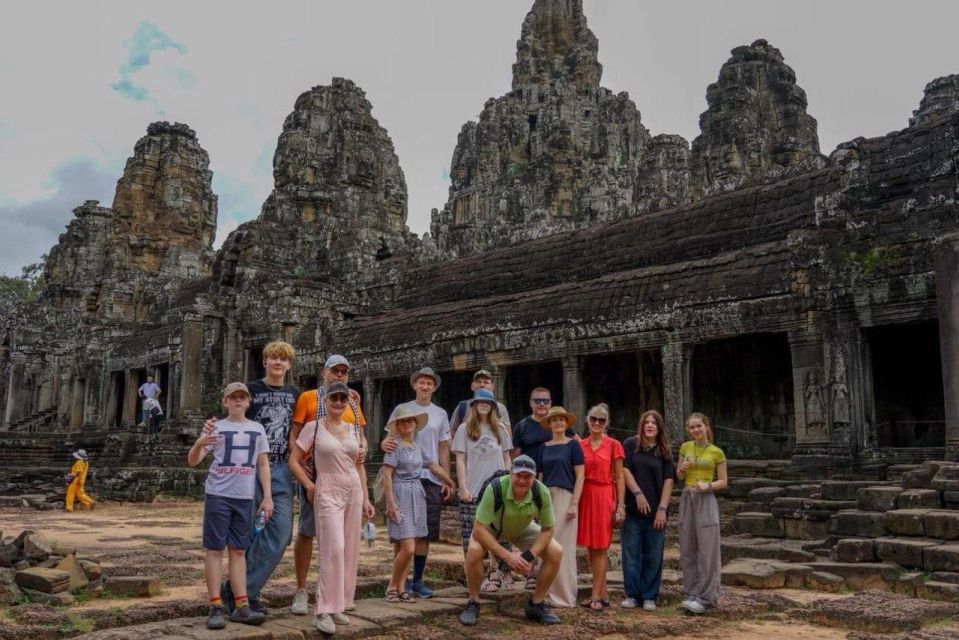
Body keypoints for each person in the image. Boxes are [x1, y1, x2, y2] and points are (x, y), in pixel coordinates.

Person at [203, 341, 300, 615]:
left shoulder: (295, 394)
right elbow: (231, 419)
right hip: (248, 469)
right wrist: (208, 428)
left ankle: (239, 591)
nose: (278, 363)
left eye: (283, 359)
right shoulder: (251, 391)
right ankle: (244, 597)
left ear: (289, 364)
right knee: (245, 536)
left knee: (280, 535)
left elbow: (301, 429)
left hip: (280, 467)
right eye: (273, 358)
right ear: (265, 362)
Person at [289, 381, 374, 635]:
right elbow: (294, 460)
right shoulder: (313, 428)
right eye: (334, 398)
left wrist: (367, 498)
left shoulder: (352, 428)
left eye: (342, 399)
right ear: (325, 402)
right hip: (326, 489)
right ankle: (323, 610)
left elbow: (359, 465)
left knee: (348, 549)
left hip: (353, 490)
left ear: (348, 402)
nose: (338, 403)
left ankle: (339, 603)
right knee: (332, 547)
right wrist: (307, 484)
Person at [187, 382, 273, 630]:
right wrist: (200, 442)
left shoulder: (257, 429)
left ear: (248, 402)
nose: (237, 401)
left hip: (245, 496)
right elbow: (193, 461)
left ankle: (241, 604)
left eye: (242, 397)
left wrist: (267, 496)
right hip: (218, 494)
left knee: (238, 550)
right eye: (232, 397)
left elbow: (263, 464)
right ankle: (214, 604)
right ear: (225, 402)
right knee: (215, 550)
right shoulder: (216, 428)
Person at [458, 455, 562, 627]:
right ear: (511, 473)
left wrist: (529, 556)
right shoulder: (496, 487)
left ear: (534, 477)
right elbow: (478, 529)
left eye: (527, 476)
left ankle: (536, 603)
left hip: (522, 528)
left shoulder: (541, 491)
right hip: (491, 528)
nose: (522, 480)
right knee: (474, 550)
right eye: (518, 475)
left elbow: (548, 529)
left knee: (556, 551)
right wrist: (508, 556)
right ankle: (473, 601)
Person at [380, 366, 452, 598]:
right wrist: (383, 446)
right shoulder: (403, 410)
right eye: (421, 382)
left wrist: (448, 480)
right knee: (403, 537)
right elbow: (389, 441)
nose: (425, 386)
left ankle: (416, 581)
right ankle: (399, 583)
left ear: (434, 387)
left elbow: (442, 449)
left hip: (428, 480)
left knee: (424, 532)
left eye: (429, 383)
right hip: (402, 480)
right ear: (414, 385)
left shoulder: (440, 413)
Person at [451, 388, 513, 591]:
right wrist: (463, 487)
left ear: (493, 406)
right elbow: (460, 460)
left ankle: (497, 572)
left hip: (497, 489)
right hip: (474, 488)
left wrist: (509, 484)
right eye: (480, 402)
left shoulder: (500, 429)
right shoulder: (464, 428)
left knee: (498, 533)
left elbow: (506, 458)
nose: (484, 405)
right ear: (475, 405)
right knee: (472, 536)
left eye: (488, 403)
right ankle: (476, 578)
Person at [620, 410, 674, 611]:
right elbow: (624, 470)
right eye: (646, 422)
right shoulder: (630, 445)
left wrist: (662, 508)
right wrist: (637, 493)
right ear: (641, 425)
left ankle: (650, 595)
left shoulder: (664, 450)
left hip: (657, 512)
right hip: (633, 510)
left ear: (659, 428)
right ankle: (632, 594)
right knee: (631, 553)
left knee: (653, 554)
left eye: (654, 423)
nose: (650, 425)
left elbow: (669, 480)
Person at [676, 412, 727, 615]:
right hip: (688, 496)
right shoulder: (685, 447)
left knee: (708, 549)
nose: (695, 430)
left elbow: (723, 481)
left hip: (706, 497)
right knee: (687, 547)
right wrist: (682, 468)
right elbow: (678, 475)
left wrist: (708, 485)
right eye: (691, 427)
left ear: (706, 427)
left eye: (698, 426)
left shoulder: (717, 452)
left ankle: (706, 597)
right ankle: (690, 592)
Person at [577, 403, 625, 611]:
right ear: (587, 421)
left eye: (601, 420)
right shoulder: (581, 445)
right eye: (593, 419)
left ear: (607, 424)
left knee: (601, 546)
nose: (597, 423)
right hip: (585, 495)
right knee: (590, 546)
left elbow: (620, 476)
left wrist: (621, 504)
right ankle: (603, 592)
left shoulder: (614, 444)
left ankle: (595, 594)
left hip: (604, 494)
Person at [536, 406, 584, 608]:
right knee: (546, 547)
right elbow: (539, 477)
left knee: (563, 548)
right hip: (546, 497)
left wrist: (574, 503)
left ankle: (564, 596)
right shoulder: (543, 447)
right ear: (549, 424)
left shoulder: (573, 446)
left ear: (566, 423)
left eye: (561, 420)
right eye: (554, 420)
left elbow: (581, 476)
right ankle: (544, 593)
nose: (558, 423)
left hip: (566, 497)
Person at [448, 369, 510, 436]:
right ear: (472, 386)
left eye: (486, 382)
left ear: (492, 387)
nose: (482, 385)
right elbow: (451, 433)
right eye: (478, 382)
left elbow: (507, 436)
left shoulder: (499, 408)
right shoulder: (463, 407)